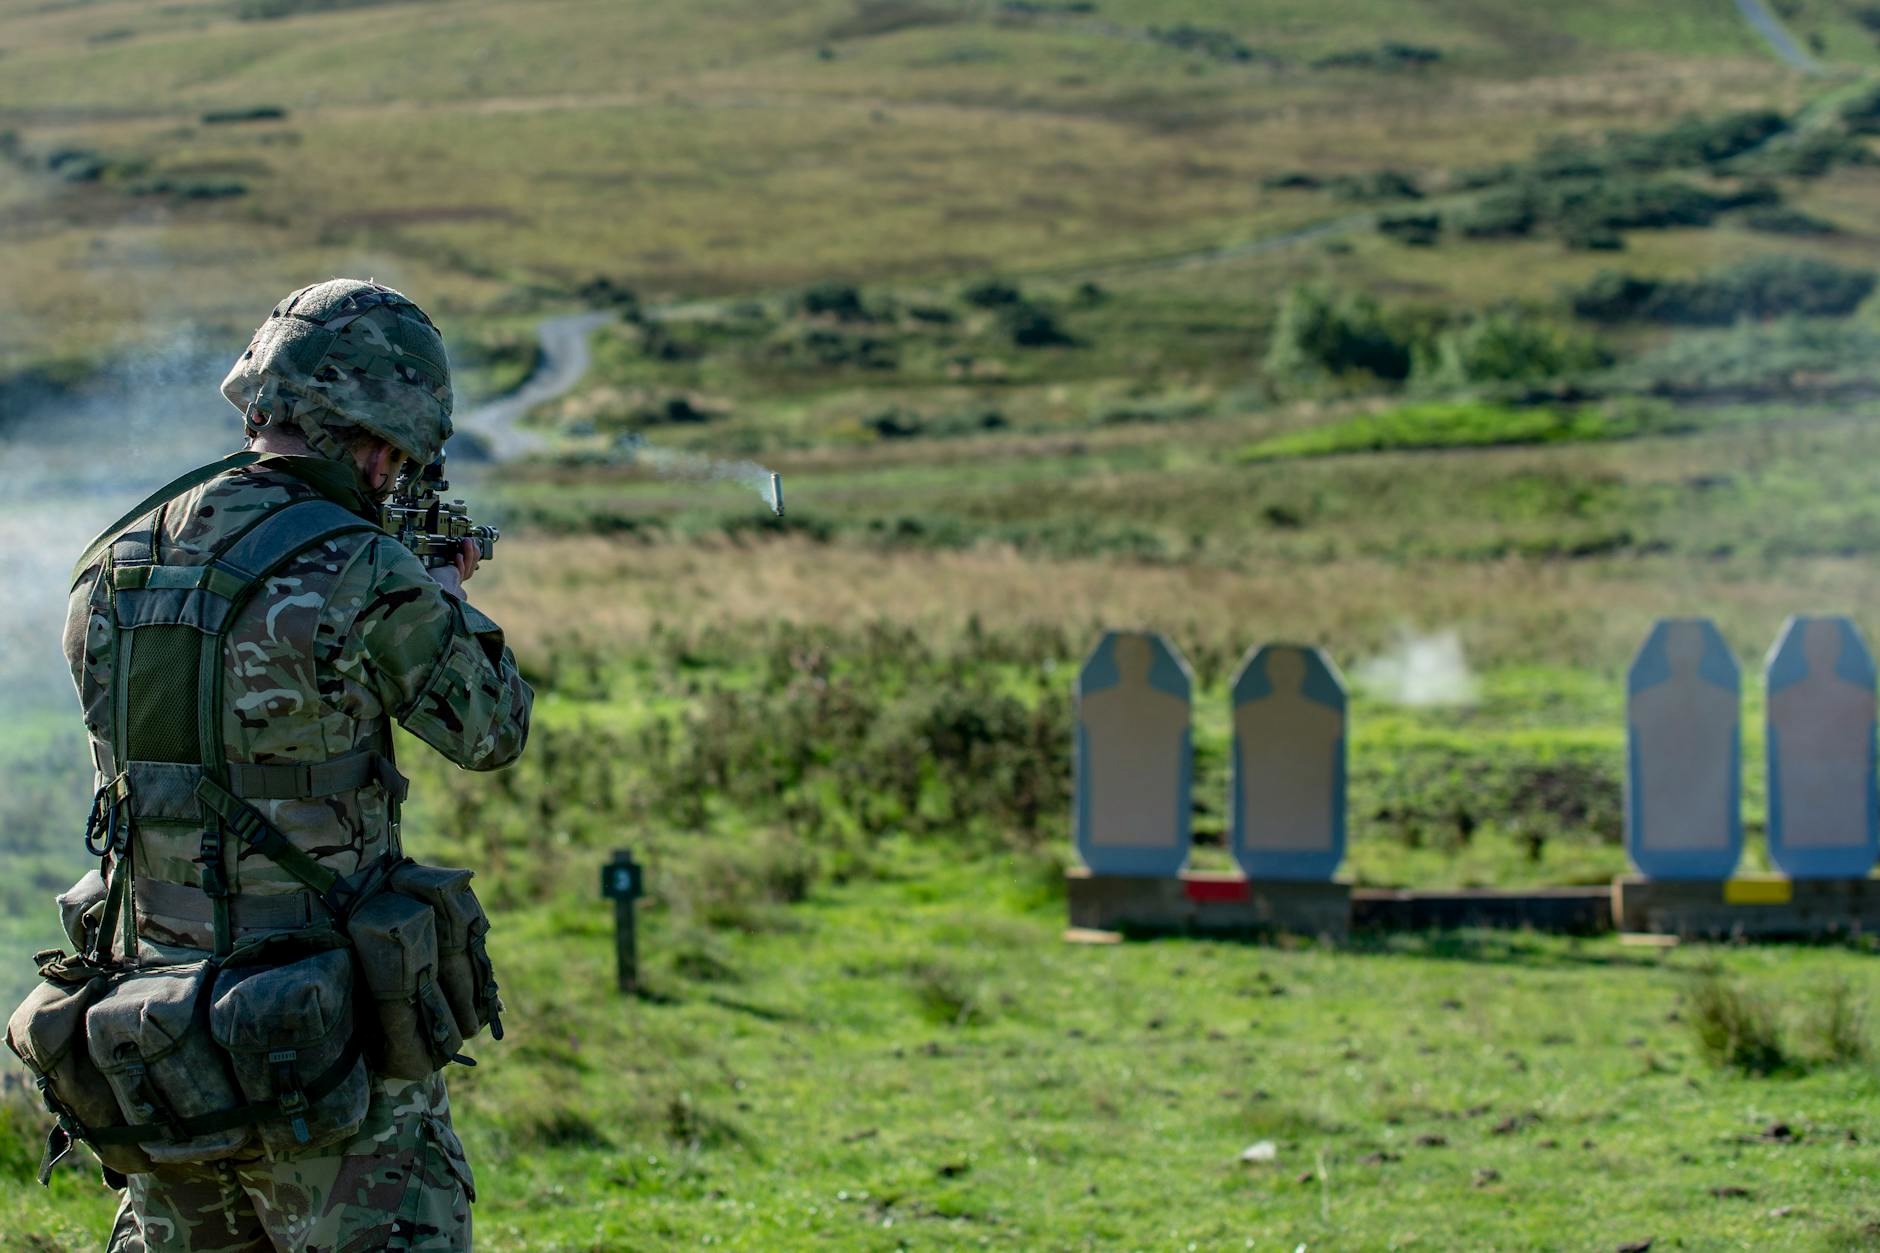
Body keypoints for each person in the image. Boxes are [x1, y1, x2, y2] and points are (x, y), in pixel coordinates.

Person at [59, 278, 533, 1250]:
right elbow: (491, 730)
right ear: (382, 431)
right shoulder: (363, 567)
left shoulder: (113, 559)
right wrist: (444, 592)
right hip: (328, 1047)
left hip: (156, 1038)